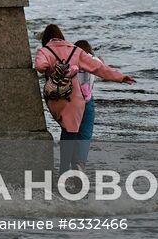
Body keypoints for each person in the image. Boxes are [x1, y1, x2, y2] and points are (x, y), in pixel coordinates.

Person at [33, 24, 135, 172]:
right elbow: (99, 68)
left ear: (46, 39)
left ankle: (67, 169)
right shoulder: (76, 51)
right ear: (62, 36)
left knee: (67, 130)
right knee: (75, 132)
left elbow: (39, 66)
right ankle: (72, 167)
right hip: (74, 98)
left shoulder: (44, 50)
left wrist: (52, 68)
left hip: (55, 98)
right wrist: (120, 77)